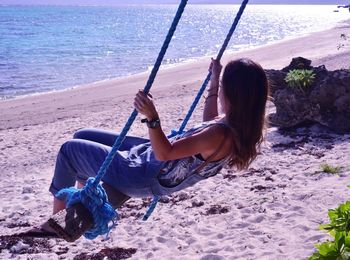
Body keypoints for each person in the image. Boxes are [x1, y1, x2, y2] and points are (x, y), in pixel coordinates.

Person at [44, 57, 269, 238]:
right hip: (150, 162)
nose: (219, 91)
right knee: (82, 136)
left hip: (143, 174)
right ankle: (85, 198)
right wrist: (214, 80)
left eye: (222, 87)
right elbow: (210, 119)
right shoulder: (235, 124)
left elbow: (165, 153)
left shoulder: (219, 134)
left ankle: (62, 220)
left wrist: (152, 117)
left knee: (69, 150)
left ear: (231, 93)